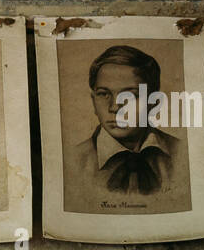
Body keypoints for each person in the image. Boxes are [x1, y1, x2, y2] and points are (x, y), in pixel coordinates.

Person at [65, 45, 189, 212]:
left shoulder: (184, 155)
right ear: (93, 101)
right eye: (103, 94)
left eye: (130, 95)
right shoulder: (72, 162)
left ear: (154, 102)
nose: (115, 107)